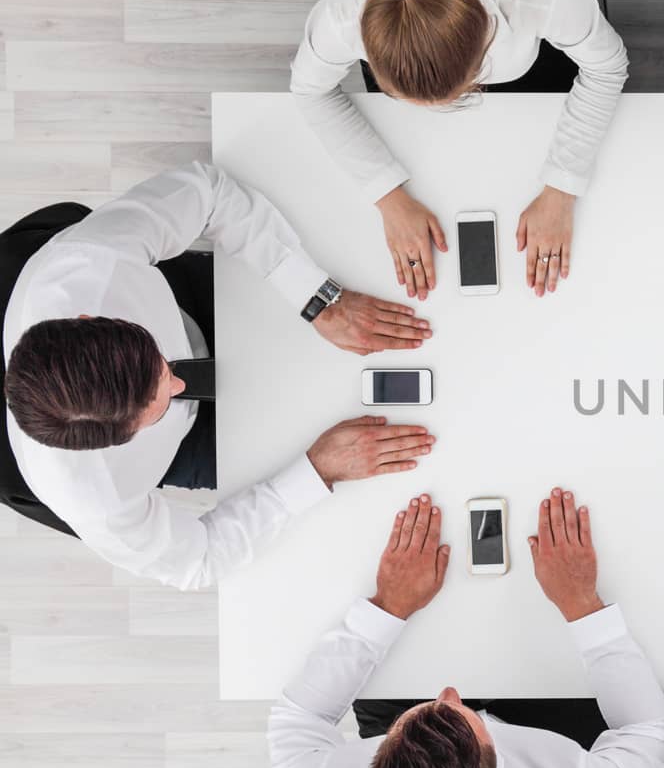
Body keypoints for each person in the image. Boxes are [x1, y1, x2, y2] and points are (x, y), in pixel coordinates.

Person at [2, 163, 434, 590]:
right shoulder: (96, 499)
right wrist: (318, 470)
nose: (179, 384)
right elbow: (199, 560)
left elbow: (207, 193)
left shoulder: (91, 260)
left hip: (187, 305)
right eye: (156, 407)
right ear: (118, 441)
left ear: (88, 316)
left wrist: (317, 298)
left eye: (160, 366)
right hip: (190, 443)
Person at [269, 488, 664, 768]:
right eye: (459, 711)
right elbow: (646, 731)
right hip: (557, 734)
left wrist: (387, 605)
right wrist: (581, 603)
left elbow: (299, 718)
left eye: (418, 719)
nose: (449, 692)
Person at [292, 0, 629, 300]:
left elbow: (607, 66)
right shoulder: (339, 18)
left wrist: (562, 186)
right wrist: (386, 194)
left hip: (534, 65)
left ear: (484, 45)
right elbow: (310, 91)